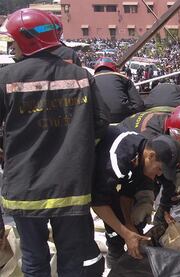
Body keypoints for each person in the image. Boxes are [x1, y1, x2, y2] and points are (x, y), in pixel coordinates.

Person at [0, 8, 109, 276]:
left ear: (25, 40)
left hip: (25, 186)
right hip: (71, 185)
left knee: (34, 259)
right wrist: (78, 146)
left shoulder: (6, 79)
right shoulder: (82, 76)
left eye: (13, 41)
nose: (12, 46)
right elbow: (101, 122)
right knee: (71, 259)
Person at [92, 126, 180, 268]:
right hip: (79, 176)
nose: (158, 174)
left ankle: (119, 252)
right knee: (108, 220)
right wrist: (126, 233)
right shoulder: (118, 159)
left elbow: (126, 193)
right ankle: (115, 256)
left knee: (129, 218)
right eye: (159, 169)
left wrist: (129, 224)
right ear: (151, 156)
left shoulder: (141, 155)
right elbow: (97, 203)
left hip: (108, 179)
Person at [118, 104, 180, 225]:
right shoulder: (149, 136)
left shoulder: (179, 127)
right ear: (171, 131)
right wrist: (145, 198)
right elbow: (146, 172)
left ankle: (161, 216)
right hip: (129, 155)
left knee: (173, 181)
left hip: (150, 155)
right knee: (137, 201)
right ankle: (129, 231)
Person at [94, 57, 145, 123]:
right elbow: (139, 104)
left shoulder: (91, 80)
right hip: (122, 118)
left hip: (99, 119)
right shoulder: (123, 78)